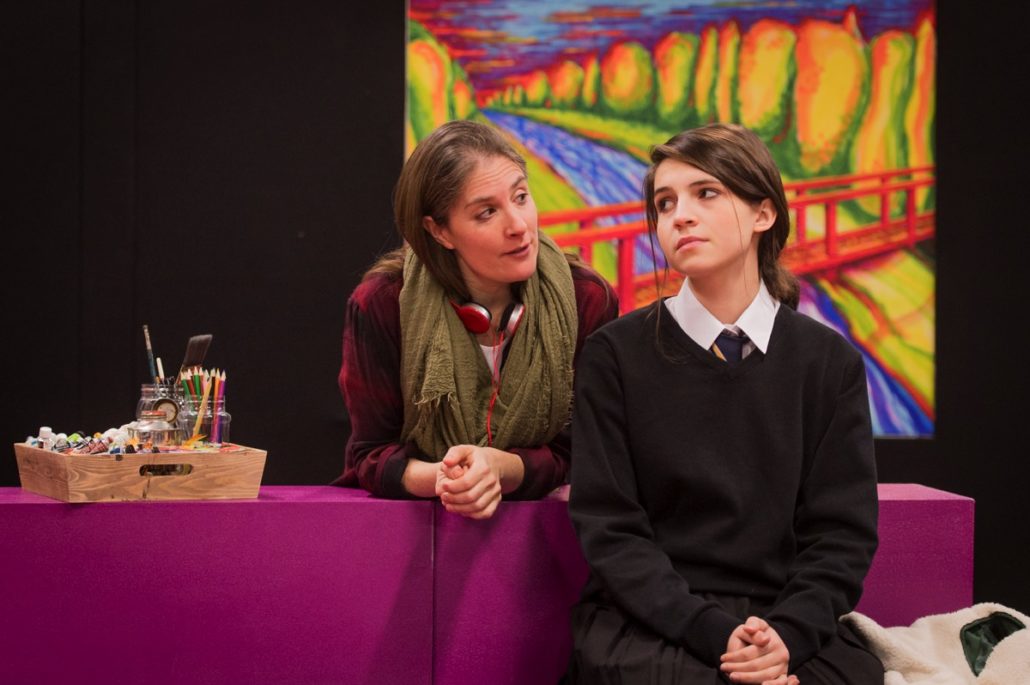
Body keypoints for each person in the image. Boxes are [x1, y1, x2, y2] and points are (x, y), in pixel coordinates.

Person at [566, 123, 883, 684]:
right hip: (650, 622)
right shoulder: (614, 354)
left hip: (785, 620)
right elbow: (611, 530)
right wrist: (717, 634)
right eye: (665, 204)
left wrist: (785, 637)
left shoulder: (828, 362)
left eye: (705, 193)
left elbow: (841, 536)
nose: (680, 216)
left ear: (764, 213)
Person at [334, 119, 618, 519]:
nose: (518, 226)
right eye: (487, 212)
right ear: (439, 231)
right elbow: (370, 455)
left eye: (521, 197)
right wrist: (448, 479)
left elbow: (586, 453)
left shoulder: (587, 299)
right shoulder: (382, 303)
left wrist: (503, 469)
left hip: (543, 535)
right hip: (420, 532)